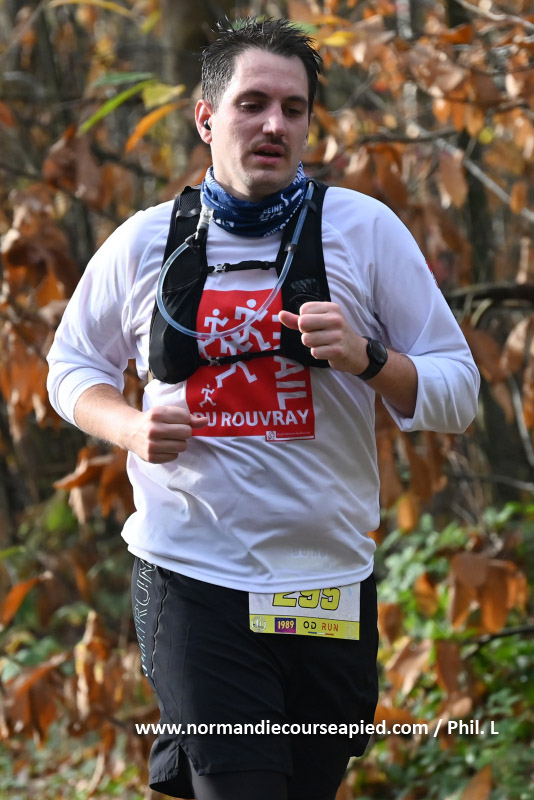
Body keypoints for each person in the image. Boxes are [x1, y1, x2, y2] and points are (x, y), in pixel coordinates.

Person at [47, 17, 480, 800]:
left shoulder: (365, 233)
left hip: (325, 582)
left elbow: (458, 392)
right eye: (252, 104)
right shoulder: (145, 243)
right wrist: (131, 428)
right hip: (193, 574)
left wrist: (369, 358)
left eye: (293, 108)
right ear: (206, 117)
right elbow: (71, 367)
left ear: (309, 123)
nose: (274, 124)